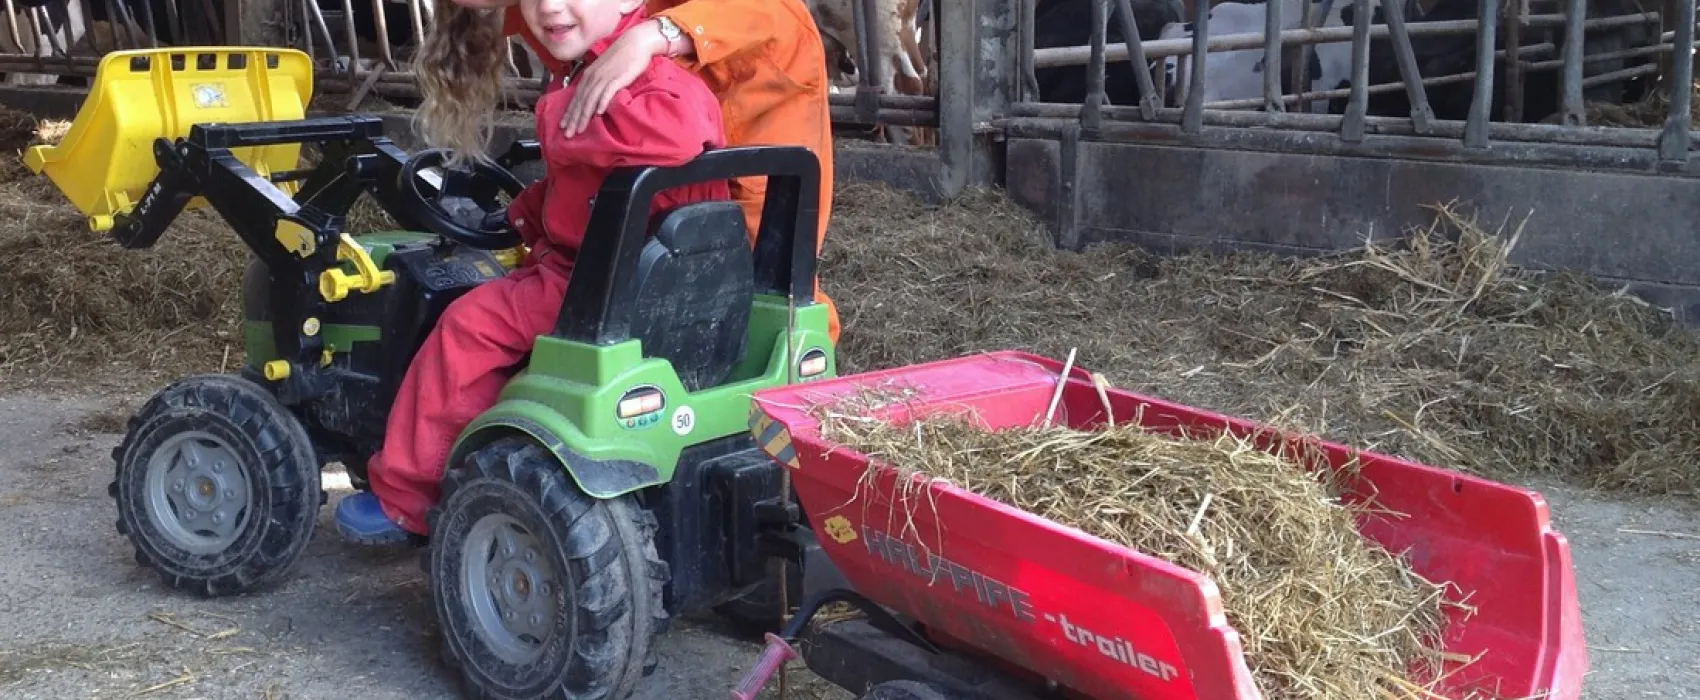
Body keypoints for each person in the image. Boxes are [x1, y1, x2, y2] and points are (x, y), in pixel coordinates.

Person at [334, 0, 732, 543]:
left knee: (467, 325)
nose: (549, 6)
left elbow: (675, 135)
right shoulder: (593, 76)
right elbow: (592, 179)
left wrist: (558, 119)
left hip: (598, 286)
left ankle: (405, 496)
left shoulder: (658, 87)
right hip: (627, 274)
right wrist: (523, 211)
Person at [450, 0, 841, 344]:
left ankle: (798, 376)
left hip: (747, 132)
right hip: (657, 203)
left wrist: (650, 36)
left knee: (771, 276)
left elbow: (763, 10)